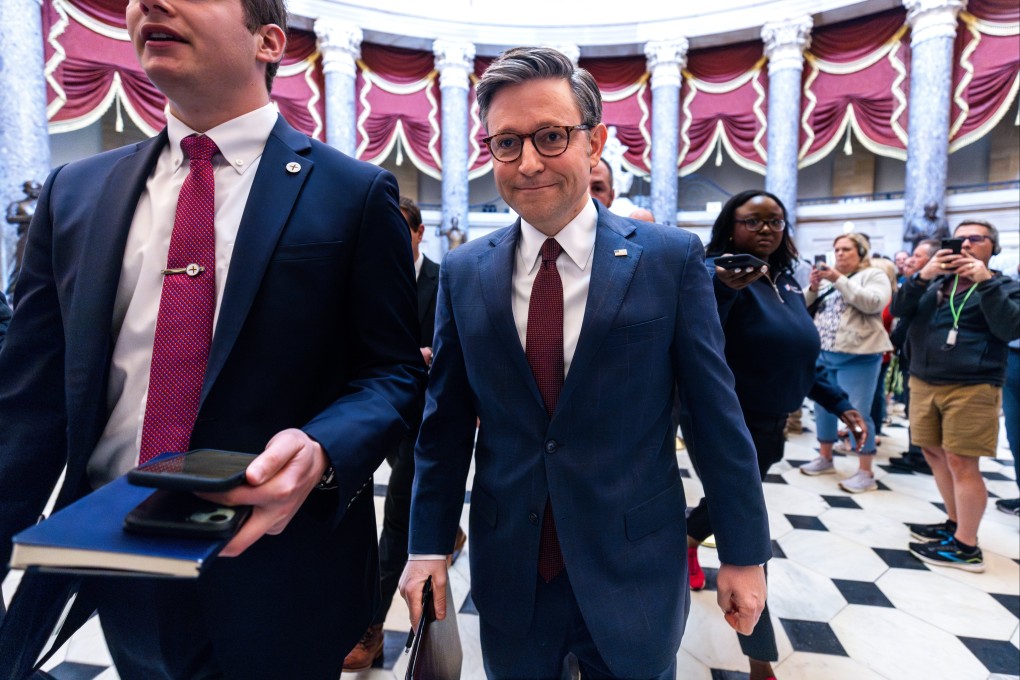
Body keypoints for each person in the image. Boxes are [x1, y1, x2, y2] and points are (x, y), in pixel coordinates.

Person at [0, 1, 426, 677]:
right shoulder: (75, 192)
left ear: (269, 40)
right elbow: (29, 403)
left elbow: (394, 373)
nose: (149, 3)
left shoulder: (353, 193)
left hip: (281, 567)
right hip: (119, 552)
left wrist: (323, 447)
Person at [399, 46, 770, 680]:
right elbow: (445, 425)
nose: (529, 162)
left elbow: (715, 418)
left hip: (633, 561)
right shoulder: (465, 271)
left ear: (593, 142)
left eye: (550, 136)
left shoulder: (669, 259)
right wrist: (427, 545)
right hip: (512, 564)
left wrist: (742, 552)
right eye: (507, 143)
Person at [686, 190, 866, 680]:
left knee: (730, 505)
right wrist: (722, 288)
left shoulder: (783, 280)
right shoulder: (711, 274)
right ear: (730, 226)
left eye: (776, 221)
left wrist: (839, 402)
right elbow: (696, 338)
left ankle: (686, 535)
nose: (766, 229)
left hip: (770, 423)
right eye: (753, 221)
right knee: (748, 530)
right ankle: (760, 661)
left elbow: (799, 354)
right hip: (723, 422)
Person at [342, 196, 460, 670]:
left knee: (396, 520)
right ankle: (450, 528)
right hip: (376, 414)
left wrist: (428, 355)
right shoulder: (365, 277)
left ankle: (370, 628)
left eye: (400, 229)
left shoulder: (443, 278)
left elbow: (455, 347)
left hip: (425, 418)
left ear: (418, 233)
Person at [895, 221, 1020, 571]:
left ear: (993, 247)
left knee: (962, 462)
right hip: (924, 380)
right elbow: (900, 309)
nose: (964, 244)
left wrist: (985, 282)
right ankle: (955, 523)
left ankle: (966, 547)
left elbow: (1009, 328)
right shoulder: (935, 282)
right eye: (957, 239)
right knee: (934, 453)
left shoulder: (1005, 286)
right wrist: (922, 275)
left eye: (974, 239)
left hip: (972, 385)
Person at [800, 233, 892, 492]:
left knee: (858, 412)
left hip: (859, 356)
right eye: (837, 249)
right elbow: (801, 305)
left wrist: (838, 279)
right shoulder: (828, 278)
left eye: (846, 249)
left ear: (861, 252)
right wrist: (814, 287)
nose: (840, 253)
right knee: (823, 408)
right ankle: (825, 457)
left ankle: (865, 472)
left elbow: (873, 303)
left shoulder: (874, 275)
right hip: (824, 353)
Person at [887, 239, 940, 474]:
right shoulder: (917, 283)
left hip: (929, 360)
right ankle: (916, 452)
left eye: (917, 256)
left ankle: (920, 455)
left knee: (921, 412)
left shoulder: (938, 285)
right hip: (912, 355)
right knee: (914, 410)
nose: (910, 260)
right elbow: (899, 310)